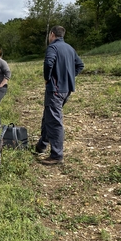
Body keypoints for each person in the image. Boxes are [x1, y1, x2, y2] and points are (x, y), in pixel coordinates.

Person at [36, 26, 84, 165]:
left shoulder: (53, 47)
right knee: (48, 117)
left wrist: (47, 78)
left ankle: (57, 155)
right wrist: (70, 77)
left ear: (52, 34)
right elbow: (80, 65)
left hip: (55, 90)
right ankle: (42, 145)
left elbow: (48, 62)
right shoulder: (69, 48)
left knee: (54, 121)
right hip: (66, 89)